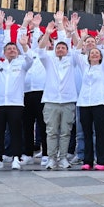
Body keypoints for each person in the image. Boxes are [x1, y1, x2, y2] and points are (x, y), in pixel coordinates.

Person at [0, 15, 36, 170]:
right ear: (4, 52)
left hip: (16, 104)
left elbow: (31, 60)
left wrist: (24, 46)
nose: (12, 50)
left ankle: (15, 157)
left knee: (15, 132)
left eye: (14, 49)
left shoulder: (22, 65)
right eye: (9, 49)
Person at [35, 15, 80, 170]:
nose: (60, 49)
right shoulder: (49, 60)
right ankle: (51, 158)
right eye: (58, 48)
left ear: (67, 50)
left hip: (68, 101)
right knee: (52, 132)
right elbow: (40, 49)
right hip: (51, 101)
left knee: (65, 132)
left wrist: (71, 31)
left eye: (63, 48)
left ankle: (63, 158)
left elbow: (78, 46)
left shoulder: (72, 60)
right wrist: (47, 33)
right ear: (54, 50)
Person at [72, 31, 104, 170]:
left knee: (100, 133)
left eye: (97, 53)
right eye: (92, 53)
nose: (94, 54)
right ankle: (87, 160)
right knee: (86, 132)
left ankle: (101, 161)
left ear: (100, 56)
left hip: (99, 103)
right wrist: (82, 38)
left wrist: (103, 39)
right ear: (88, 56)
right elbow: (77, 53)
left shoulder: (103, 67)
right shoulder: (85, 67)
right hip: (84, 103)